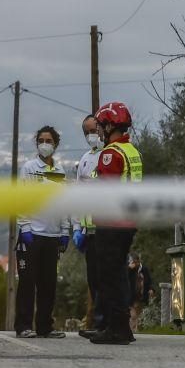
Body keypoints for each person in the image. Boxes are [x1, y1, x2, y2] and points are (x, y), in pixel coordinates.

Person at [88, 101, 142, 345]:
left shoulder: (110, 154)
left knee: (109, 276)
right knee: (119, 274)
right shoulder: (131, 150)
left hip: (112, 222)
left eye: (100, 125)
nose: (98, 130)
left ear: (110, 125)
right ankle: (122, 327)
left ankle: (116, 328)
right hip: (129, 221)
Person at [14, 126, 70, 339]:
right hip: (32, 235)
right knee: (27, 282)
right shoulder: (29, 168)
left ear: (55, 144)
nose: (44, 144)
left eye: (48, 140)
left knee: (48, 284)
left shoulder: (60, 171)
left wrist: (65, 230)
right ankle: (23, 326)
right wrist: (25, 227)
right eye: (41, 140)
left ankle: (45, 326)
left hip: (52, 235)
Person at [73, 114, 105, 338]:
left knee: (106, 277)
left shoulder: (110, 155)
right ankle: (96, 323)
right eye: (86, 132)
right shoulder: (84, 159)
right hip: (89, 231)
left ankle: (105, 322)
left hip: (108, 227)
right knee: (93, 278)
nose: (90, 135)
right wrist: (77, 227)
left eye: (93, 130)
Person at [126, 253, 153, 333]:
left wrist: (151, 289)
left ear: (138, 261)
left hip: (141, 294)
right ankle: (132, 329)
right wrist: (128, 269)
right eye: (132, 262)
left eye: (135, 262)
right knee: (133, 314)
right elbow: (124, 279)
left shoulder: (144, 269)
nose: (134, 264)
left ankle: (134, 329)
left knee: (138, 312)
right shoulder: (129, 270)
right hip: (131, 295)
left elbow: (149, 280)